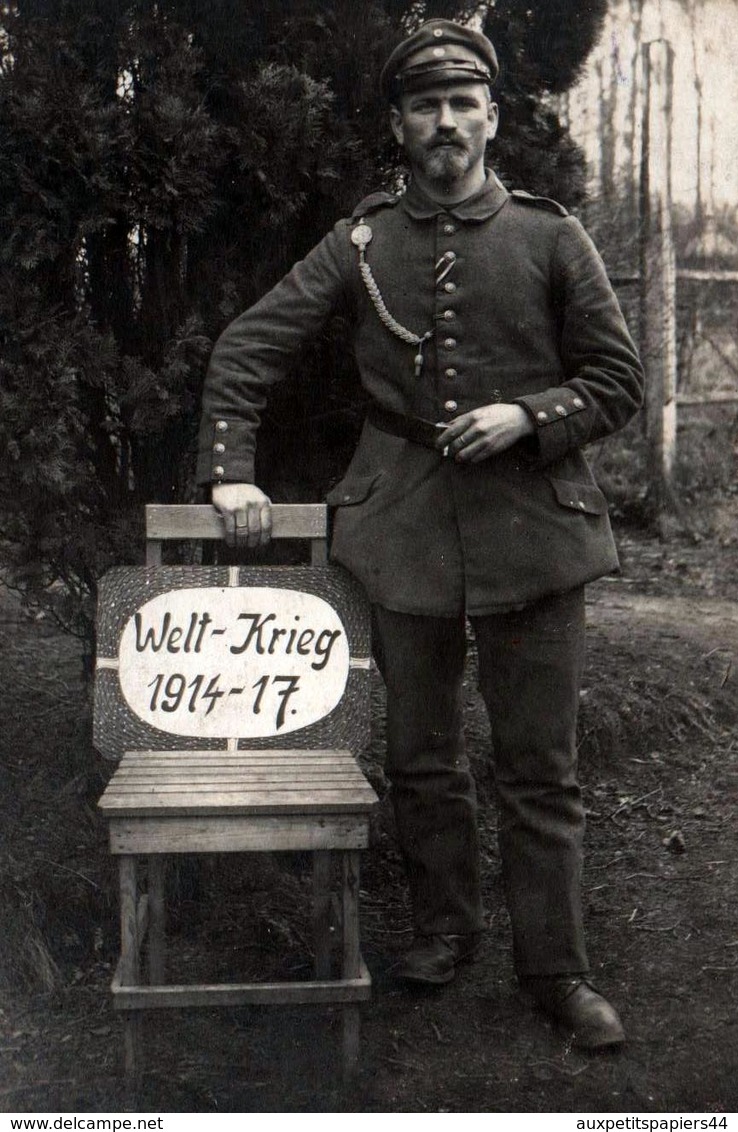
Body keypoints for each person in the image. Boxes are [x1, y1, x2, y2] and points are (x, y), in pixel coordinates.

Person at [196, 19, 644, 1050]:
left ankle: (558, 969)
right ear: (399, 126)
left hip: (537, 531)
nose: (445, 123)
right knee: (423, 755)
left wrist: (530, 415)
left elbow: (617, 381)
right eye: (424, 107)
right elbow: (249, 345)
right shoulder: (362, 243)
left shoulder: (550, 235)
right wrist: (229, 473)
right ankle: (443, 934)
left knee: (541, 765)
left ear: (491, 117)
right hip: (399, 528)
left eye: (462, 104)